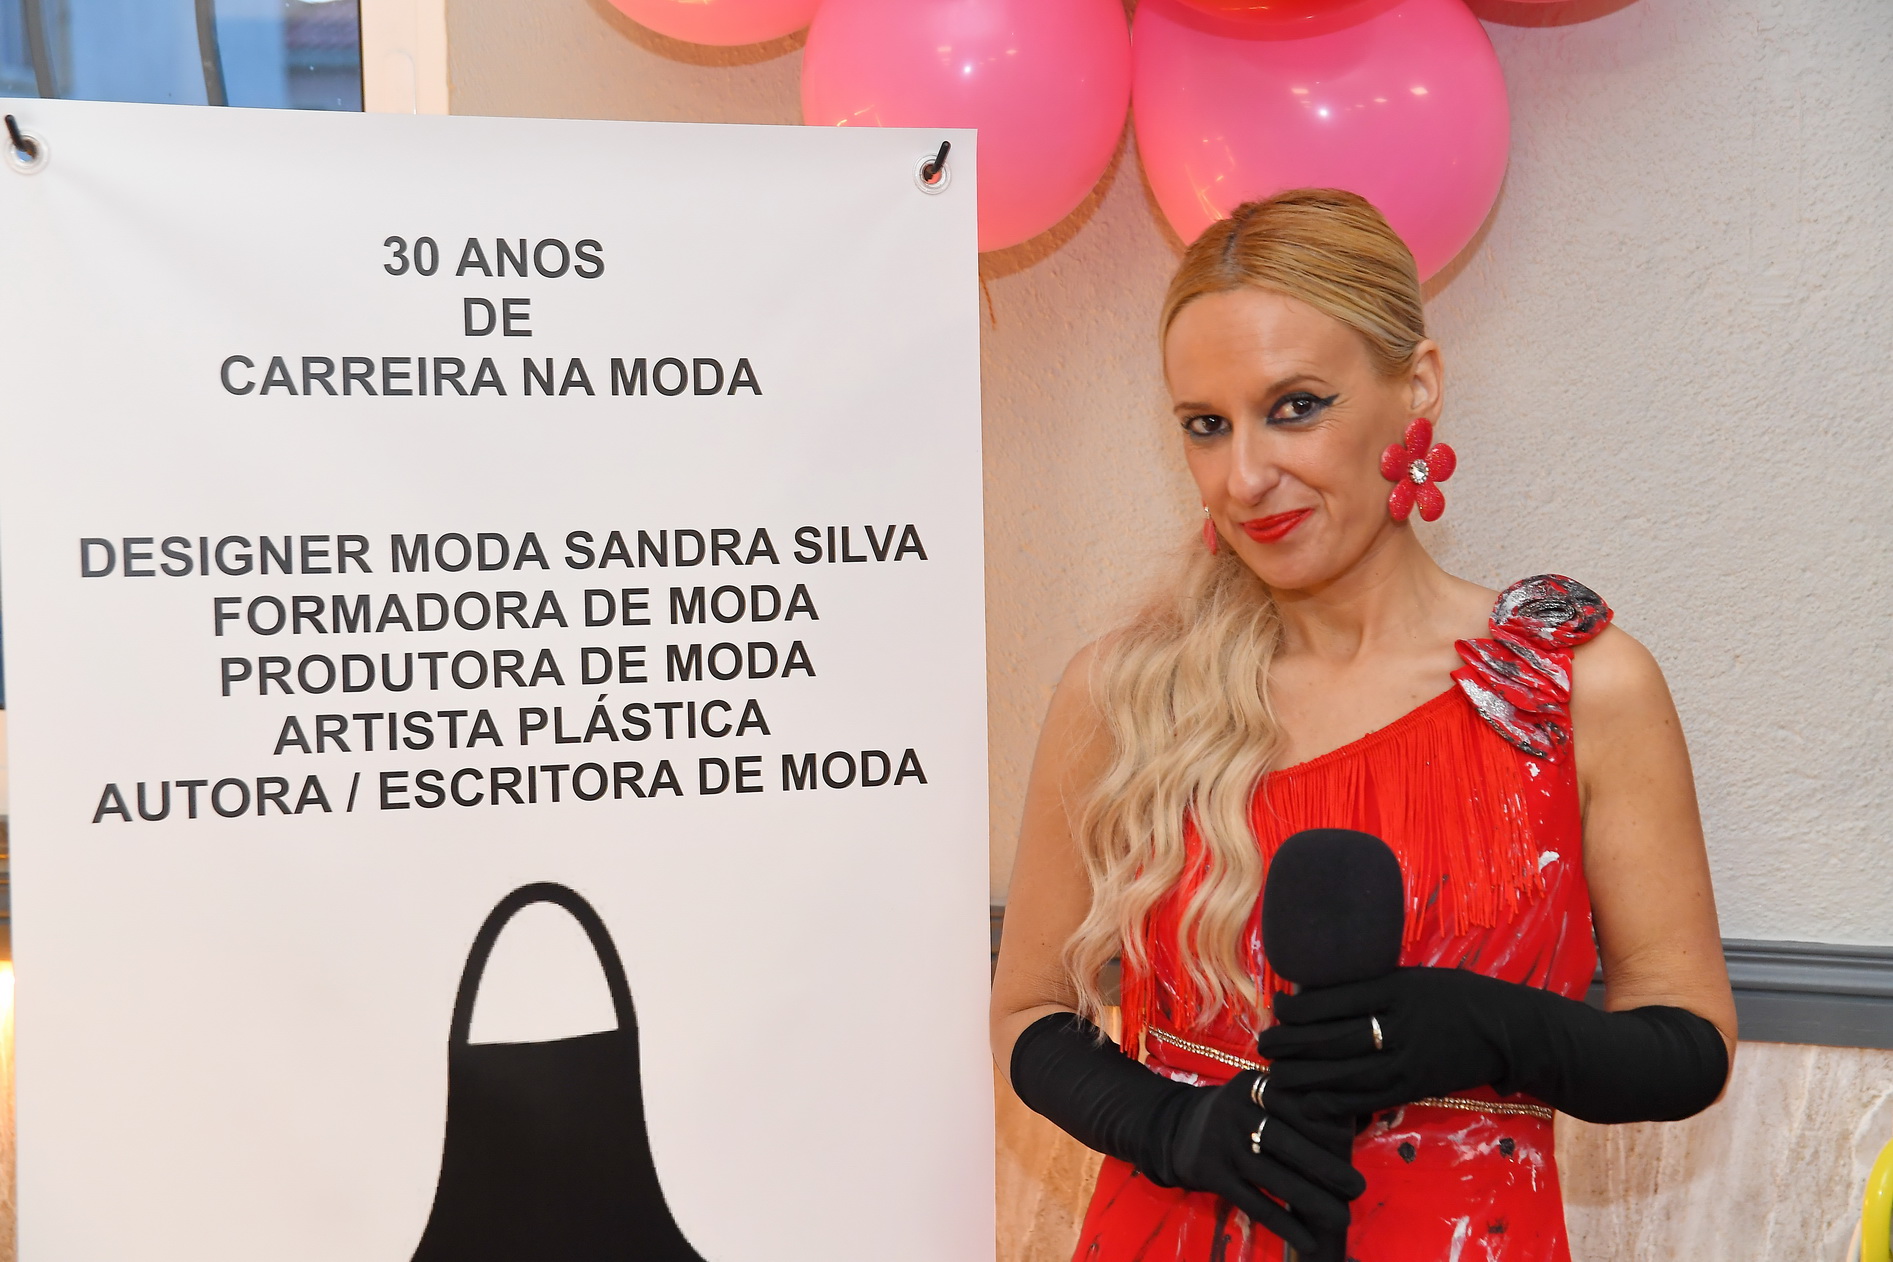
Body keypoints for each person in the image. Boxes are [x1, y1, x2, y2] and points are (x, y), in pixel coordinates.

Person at [990, 189, 1735, 1262]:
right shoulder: (1125, 692)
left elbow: (1688, 1042)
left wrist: (1491, 1030)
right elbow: (1026, 1011)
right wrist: (1169, 1125)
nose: (1245, 476)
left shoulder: (1574, 688)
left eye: (1295, 406)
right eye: (1206, 425)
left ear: (1416, 386)